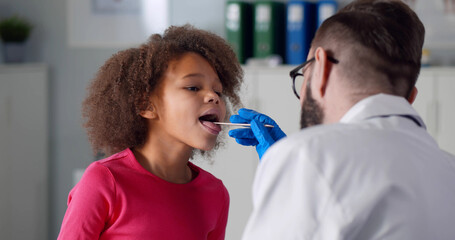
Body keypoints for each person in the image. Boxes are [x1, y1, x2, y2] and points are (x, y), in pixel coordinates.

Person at [229, 0, 455, 239]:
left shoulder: (310, 158)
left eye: (303, 75)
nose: (301, 98)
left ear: (322, 67)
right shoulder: (449, 170)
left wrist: (297, 167)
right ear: (410, 97)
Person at [57, 24, 243, 239]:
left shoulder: (215, 193)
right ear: (146, 105)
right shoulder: (104, 180)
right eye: (193, 87)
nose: (214, 97)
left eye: (218, 90)